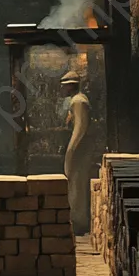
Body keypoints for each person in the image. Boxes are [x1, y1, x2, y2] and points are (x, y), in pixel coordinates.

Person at [61, 70, 93, 234]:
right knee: (75, 184)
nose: (63, 90)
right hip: (80, 150)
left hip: (80, 151)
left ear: (70, 86)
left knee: (77, 185)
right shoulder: (76, 101)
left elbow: (79, 129)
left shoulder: (78, 102)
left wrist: (70, 151)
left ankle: (79, 222)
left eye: (65, 86)